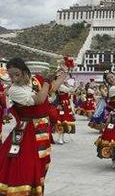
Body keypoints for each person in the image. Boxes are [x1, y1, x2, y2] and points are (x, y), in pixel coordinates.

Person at [0, 57, 66, 195]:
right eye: (10, 75)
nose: (14, 78)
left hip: (42, 129)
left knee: (41, 164)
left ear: (24, 71)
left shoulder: (36, 79)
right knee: (26, 167)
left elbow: (53, 87)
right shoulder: (14, 90)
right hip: (27, 132)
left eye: (16, 74)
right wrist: (47, 82)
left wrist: (65, 71)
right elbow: (39, 100)